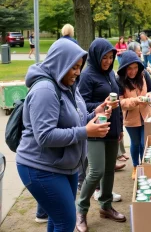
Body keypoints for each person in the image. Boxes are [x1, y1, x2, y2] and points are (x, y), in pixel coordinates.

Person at [16, 38, 111, 232]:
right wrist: (85, 131)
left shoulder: (67, 85)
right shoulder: (45, 90)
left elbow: (74, 118)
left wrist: (95, 114)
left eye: (79, 67)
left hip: (63, 166)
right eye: (73, 67)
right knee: (66, 221)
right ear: (60, 63)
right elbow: (45, 136)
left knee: (58, 218)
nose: (77, 72)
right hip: (40, 168)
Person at [76, 38, 126, 231]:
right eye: (104, 57)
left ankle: (106, 206)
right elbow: (81, 105)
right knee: (96, 171)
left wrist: (119, 127)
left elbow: (118, 102)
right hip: (95, 128)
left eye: (111, 57)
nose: (107, 61)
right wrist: (102, 105)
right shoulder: (87, 75)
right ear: (96, 56)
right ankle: (81, 210)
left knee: (109, 170)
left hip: (112, 129)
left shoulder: (110, 74)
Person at [117, 51, 151, 180]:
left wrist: (150, 95)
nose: (133, 71)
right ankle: (135, 166)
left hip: (147, 115)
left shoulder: (144, 75)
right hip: (130, 117)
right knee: (135, 142)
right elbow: (120, 102)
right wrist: (137, 100)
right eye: (129, 69)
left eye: (135, 68)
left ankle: (144, 166)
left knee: (145, 143)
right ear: (124, 68)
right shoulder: (119, 81)